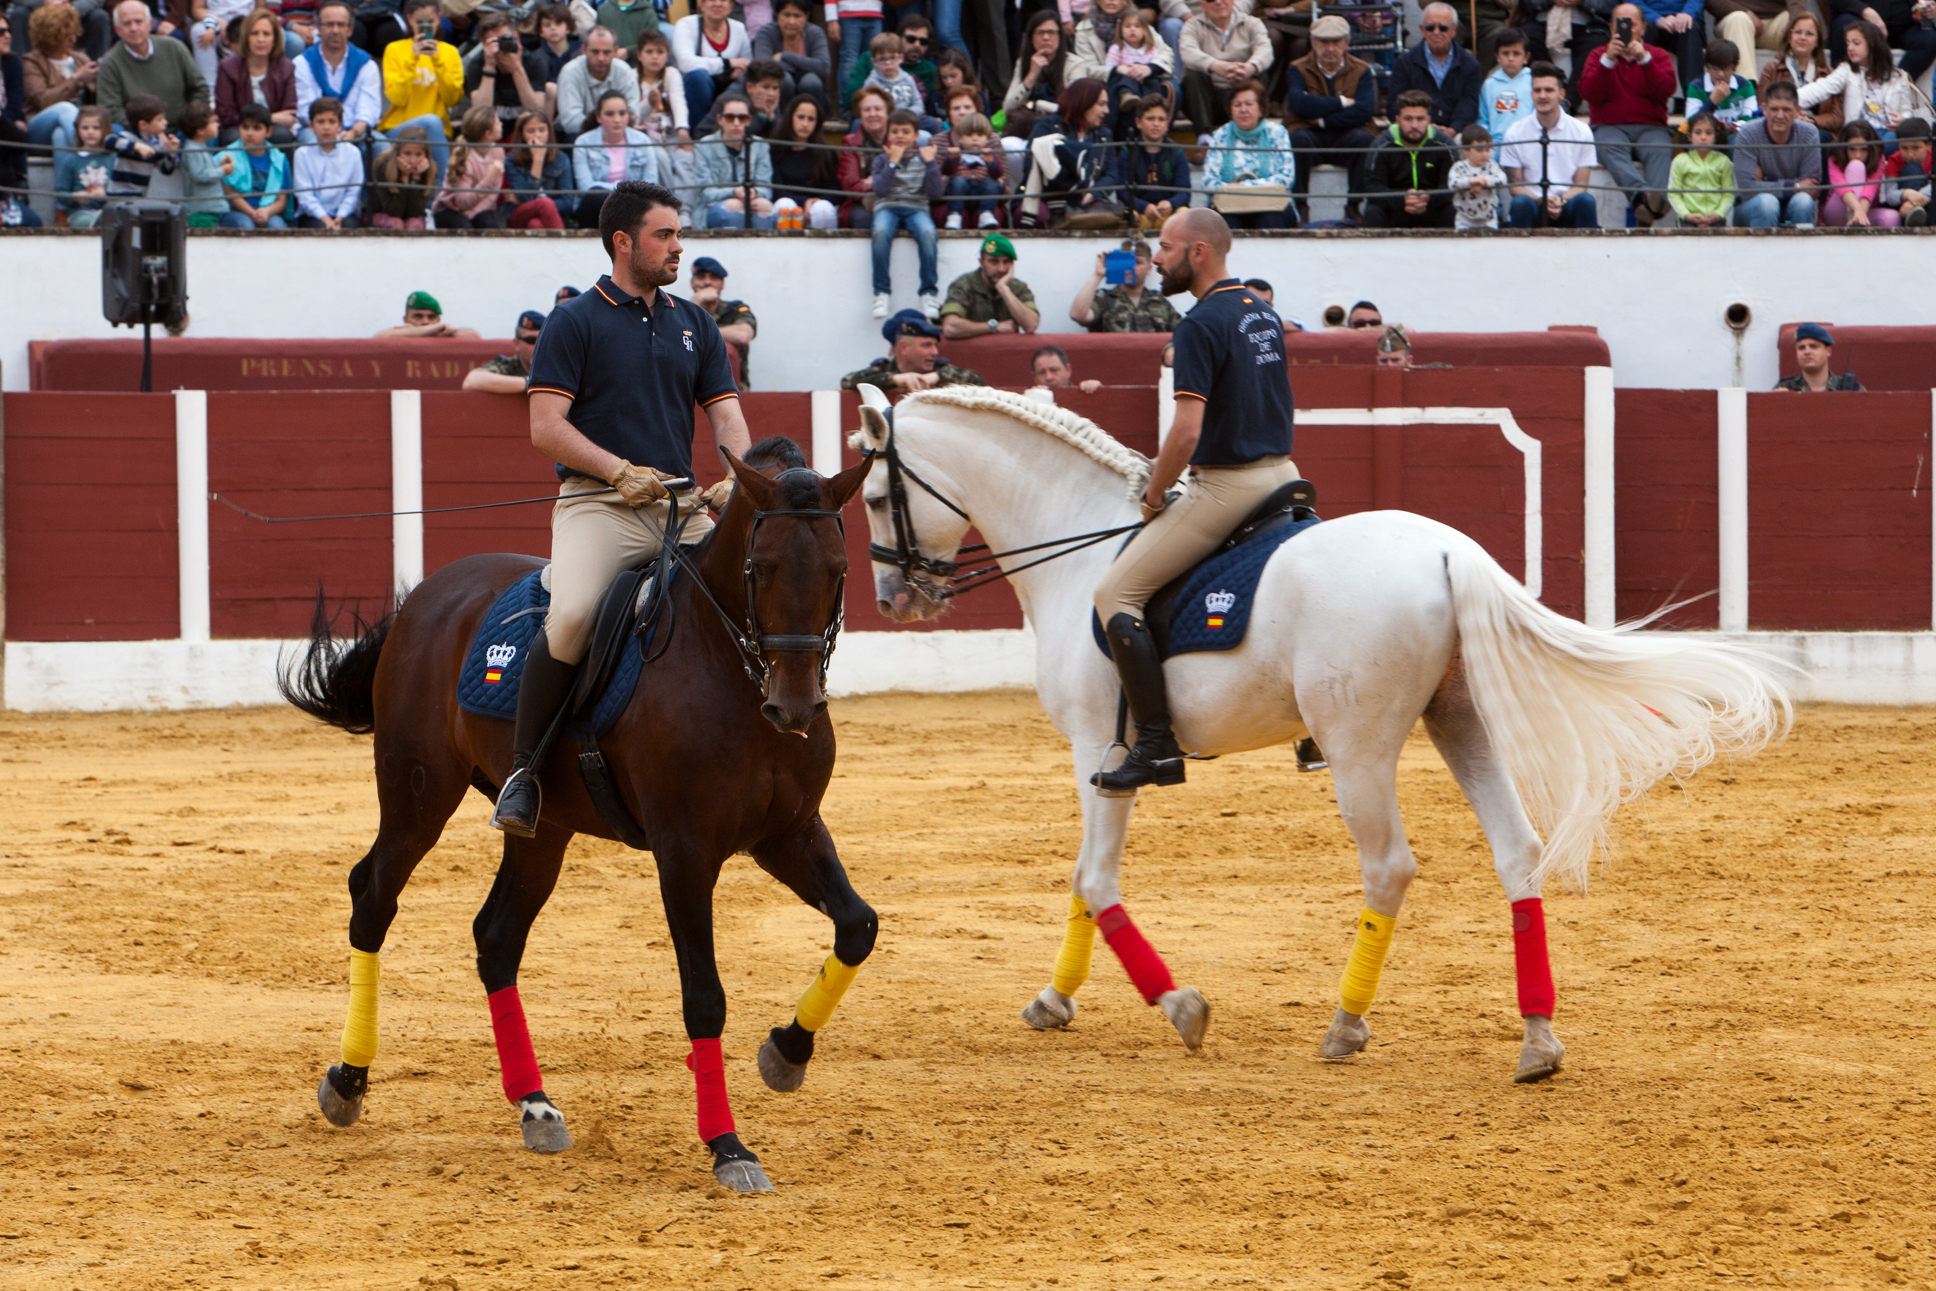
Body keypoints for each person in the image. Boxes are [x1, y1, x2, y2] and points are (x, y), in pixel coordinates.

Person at [493, 180, 751, 835]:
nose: (678, 246)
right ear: (623, 242)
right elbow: (545, 427)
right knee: (573, 615)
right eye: (665, 235)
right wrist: (617, 470)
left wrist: (740, 479)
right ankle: (523, 774)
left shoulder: (695, 323)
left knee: (749, 597)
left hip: (682, 509)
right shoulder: (574, 320)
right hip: (599, 505)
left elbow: (727, 417)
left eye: (678, 234)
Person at [1091, 207, 1297, 793]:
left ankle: (1155, 744)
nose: (1156, 258)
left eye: (1165, 247)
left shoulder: (1199, 324)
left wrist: (1155, 492)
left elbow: (1186, 433)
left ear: (1198, 252)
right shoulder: (1261, 311)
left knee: (1115, 594)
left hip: (1229, 485)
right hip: (1284, 476)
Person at [1580, 4, 1678, 226]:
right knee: (1606, 145)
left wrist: (1645, 61)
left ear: (1643, 28)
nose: (1627, 29)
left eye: (1631, 24)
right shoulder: (1598, 55)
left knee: (1660, 148)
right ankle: (1645, 199)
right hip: (1609, 126)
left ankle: (1648, 206)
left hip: (1651, 127)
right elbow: (1588, 93)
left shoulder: (1657, 55)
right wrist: (1607, 61)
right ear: (1611, 27)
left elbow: (1666, 90)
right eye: (1620, 24)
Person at [1283, 15, 1374, 225]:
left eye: (1336, 41)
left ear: (1346, 42)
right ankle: (1301, 206)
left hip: (1345, 133)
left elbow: (1365, 110)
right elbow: (1299, 105)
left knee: (1365, 140)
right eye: (1324, 42)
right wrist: (1343, 102)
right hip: (1309, 133)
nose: (1330, 48)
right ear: (1313, 43)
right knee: (1297, 139)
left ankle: (1353, 205)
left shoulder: (1361, 69)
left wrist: (1323, 119)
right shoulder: (1297, 68)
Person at [867, 107, 944, 318]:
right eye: (894, 131)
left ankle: (928, 293)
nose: (900, 136)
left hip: (916, 208)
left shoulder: (924, 158)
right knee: (880, 232)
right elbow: (880, 190)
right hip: (887, 206)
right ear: (888, 135)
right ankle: (881, 292)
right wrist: (892, 162)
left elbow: (936, 192)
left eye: (906, 131)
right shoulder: (881, 159)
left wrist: (931, 163)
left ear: (916, 136)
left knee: (928, 233)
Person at [1503, 61, 1599, 227]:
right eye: (1537, 90)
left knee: (1586, 201)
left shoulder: (1582, 131)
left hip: (1567, 202)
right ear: (1531, 94)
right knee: (1520, 204)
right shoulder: (1514, 132)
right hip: (1533, 203)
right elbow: (1515, 187)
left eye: (1548, 90)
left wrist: (1560, 200)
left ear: (1561, 94)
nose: (1542, 96)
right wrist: (1542, 201)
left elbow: (1581, 186)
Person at [376, 0, 462, 180]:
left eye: (430, 22)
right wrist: (413, 58)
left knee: (433, 123)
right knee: (431, 121)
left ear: (439, 19)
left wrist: (437, 60)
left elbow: (453, 100)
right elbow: (397, 98)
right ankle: (443, 188)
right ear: (409, 20)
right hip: (399, 129)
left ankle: (439, 192)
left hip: (437, 132)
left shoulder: (450, 52)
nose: (425, 27)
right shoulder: (395, 49)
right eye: (419, 22)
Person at [1018, 76, 1119, 228]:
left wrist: (1092, 193)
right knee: (1039, 216)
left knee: (1104, 215)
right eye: (1101, 104)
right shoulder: (1047, 125)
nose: (1107, 110)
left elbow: (1111, 174)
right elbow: (1029, 166)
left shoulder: (1104, 134)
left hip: (1086, 200)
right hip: (1046, 198)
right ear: (1083, 103)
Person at [1800, 20, 1928, 137]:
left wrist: (1903, 119)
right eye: (1848, 43)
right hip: (1858, 133)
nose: (1850, 48)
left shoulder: (1898, 75)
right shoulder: (1847, 70)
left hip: (1888, 132)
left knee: (1898, 137)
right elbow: (1821, 88)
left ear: (1872, 44)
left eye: (1856, 43)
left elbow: (1907, 111)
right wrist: (1793, 100)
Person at [1201, 78, 1295, 228]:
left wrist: (1243, 187)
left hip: (1271, 205)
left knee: (1271, 218)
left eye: (1249, 104)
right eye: (1237, 105)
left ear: (1261, 109)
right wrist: (1231, 191)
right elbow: (1208, 181)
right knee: (1224, 221)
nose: (1243, 109)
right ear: (1230, 111)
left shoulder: (1277, 133)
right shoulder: (1220, 135)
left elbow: (1286, 178)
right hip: (1230, 206)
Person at [97, 0, 207, 126]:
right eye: (127, 23)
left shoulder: (174, 48)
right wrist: (148, 129)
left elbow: (200, 88)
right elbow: (110, 109)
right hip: (137, 132)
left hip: (182, 128)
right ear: (117, 29)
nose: (133, 28)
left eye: (138, 21)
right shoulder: (110, 63)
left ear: (150, 24)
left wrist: (190, 121)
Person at [1362, 88, 1457, 228]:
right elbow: (1373, 187)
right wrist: (1403, 198)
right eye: (1408, 119)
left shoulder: (1445, 144)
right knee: (1373, 212)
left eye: (1420, 119)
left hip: (1431, 207)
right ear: (1398, 120)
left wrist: (1428, 197)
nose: (1414, 125)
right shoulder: (1381, 145)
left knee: (1453, 210)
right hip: (1395, 208)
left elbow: (1452, 184)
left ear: (1429, 120)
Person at [1730, 80, 1819, 226]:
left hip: (1792, 205)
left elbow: (1811, 188)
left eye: (1787, 110)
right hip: (1753, 207)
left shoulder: (1809, 133)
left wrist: (1765, 182)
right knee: (1768, 203)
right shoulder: (1748, 133)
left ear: (1797, 111)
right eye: (1774, 109)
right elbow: (1747, 189)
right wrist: (1795, 186)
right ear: (1764, 109)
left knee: (1804, 202)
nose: (1780, 115)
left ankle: (1802, 242)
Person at [1387, 2, 1480, 134]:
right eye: (1430, 27)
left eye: (1443, 28)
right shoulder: (1404, 62)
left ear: (1454, 30)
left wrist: (1453, 129)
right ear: (1422, 29)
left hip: (1456, 133)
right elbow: (1394, 105)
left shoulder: (1470, 64)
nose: (1436, 32)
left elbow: (1469, 104)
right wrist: (1423, 129)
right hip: (1414, 131)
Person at [839, 307, 985, 391]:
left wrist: (939, 377)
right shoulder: (885, 369)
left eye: (935, 345)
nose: (935, 352)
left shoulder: (939, 369)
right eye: (926, 345)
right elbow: (847, 382)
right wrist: (893, 379)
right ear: (903, 348)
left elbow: (976, 379)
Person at [294, 1, 379, 143]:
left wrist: (353, 133)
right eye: (329, 24)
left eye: (341, 24)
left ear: (350, 30)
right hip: (316, 130)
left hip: (355, 131)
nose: (335, 30)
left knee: (381, 146)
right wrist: (330, 133)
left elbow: (368, 111)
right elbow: (305, 110)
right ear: (318, 28)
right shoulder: (302, 63)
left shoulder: (367, 65)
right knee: (310, 140)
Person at [1177, 0, 1270, 130]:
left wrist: (1249, 67)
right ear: (1202, 5)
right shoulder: (1192, 25)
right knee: (1193, 75)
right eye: (1211, 0)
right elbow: (1187, 52)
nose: (1218, 2)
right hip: (1208, 97)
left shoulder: (1252, 23)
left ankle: (1252, 131)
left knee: (1260, 72)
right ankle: (1204, 136)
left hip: (1240, 88)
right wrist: (1214, 65)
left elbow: (1266, 51)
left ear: (1233, 1)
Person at [573, 88, 658, 228]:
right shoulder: (583, 143)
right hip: (598, 205)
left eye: (622, 113)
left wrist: (623, 194)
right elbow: (586, 187)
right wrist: (626, 191)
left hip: (635, 205)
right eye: (610, 114)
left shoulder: (643, 141)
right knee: (595, 197)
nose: (617, 120)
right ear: (598, 117)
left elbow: (651, 184)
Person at [215, 8, 296, 144]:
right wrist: (270, 118)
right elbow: (226, 116)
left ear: (275, 39)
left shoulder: (286, 67)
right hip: (238, 128)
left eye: (266, 34)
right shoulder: (227, 66)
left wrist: (269, 123)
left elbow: (289, 114)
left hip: (273, 129)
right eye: (254, 33)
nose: (260, 39)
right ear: (246, 37)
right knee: (232, 137)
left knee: (281, 135)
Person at [464, 9, 551, 135]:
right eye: (495, 41)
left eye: (505, 38)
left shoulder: (534, 61)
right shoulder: (477, 65)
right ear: (484, 44)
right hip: (491, 133)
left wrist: (517, 69)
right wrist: (489, 68)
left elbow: (535, 111)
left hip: (526, 133)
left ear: (516, 37)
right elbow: (480, 114)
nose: (501, 45)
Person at [695, 89, 775, 226]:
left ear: (749, 120)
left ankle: (760, 241)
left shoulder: (760, 145)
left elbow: (766, 188)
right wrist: (734, 192)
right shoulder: (704, 146)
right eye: (730, 118)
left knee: (764, 206)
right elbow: (705, 193)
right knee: (735, 207)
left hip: (751, 201)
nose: (736, 123)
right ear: (720, 120)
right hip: (712, 207)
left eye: (742, 118)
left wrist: (753, 192)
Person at [939, 233, 1041, 338]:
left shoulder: (1019, 287)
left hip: (1007, 347)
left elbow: (1031, 325)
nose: (1001, 269)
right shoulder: (963, 285)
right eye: (994, 261)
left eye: (1006, 262)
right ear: (981, 262)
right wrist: (994, 327)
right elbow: (950, 328)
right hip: (973, 347)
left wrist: (1004, 289)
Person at [22, 3, 94, 150]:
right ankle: (86, 150)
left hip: (80, 123)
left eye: (74, 33)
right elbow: (42, 101)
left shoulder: (81, 59)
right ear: (51, 37)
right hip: (40, 123)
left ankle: (79, 160)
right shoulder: (31, 62)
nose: (73, 39)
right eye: (67, 36)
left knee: (60, 135)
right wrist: (76, 79)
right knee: (65, 108)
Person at [1070, 237, 1182, 332]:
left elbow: (1183, 333)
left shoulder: (1159, 301)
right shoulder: (1104, 298)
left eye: (1138, 262)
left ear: (1149, 269)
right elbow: (1078, 316)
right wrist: (1098, 275)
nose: (1132, 267)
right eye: (1128, 262)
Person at [1757, 12, 1839, 137]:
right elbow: (1764, 107)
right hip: (1780, 130)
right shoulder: (1771, 70)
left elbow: (1837, 117)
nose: (1803, 37)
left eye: (1809, 33)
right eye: (1798, 32)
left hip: (1817, 132)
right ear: (1789, 37)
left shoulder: (1829, 74)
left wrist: (1811, 121)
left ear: (1817, 41)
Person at [1826, 0, 1936, 90]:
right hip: (1861, 21)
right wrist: (1865, 11)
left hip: (1904, 26)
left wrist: (1931, 6)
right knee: (1844, 25)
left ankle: (1895, 88)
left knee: (1929, 39)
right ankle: (1845, 91)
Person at [768, 92, 839, 227]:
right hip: (788, 206)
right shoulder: (776, 149)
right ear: (790, 117)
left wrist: (815, 202)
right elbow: (777, 190)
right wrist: (804, 203)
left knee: (822, 208)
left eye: (811, 119)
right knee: (785, 205)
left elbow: (835, 189)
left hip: (817, 209)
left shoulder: (826, 151)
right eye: (800, 117)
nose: (805, 124)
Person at [672, 0, 751, 121]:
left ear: (731, 6)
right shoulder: (686, 25)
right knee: (698, 77)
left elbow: (747, 62)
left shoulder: (739, 28)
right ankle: (699, 129)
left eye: (723, 0)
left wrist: (741, 70)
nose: (717, 4)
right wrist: (728, 63)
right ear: (702, 4)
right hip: (697, 88)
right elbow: (685, 63)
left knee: (745, 81)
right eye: (712, 0)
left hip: (729, 87)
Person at [555, 24, 639, 138]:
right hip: (579, 136)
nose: (601, 58)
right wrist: (610, 125)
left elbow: (634, 115)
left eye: (606, 52)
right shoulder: (570, 72)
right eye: (595, 52)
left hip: (619, 134)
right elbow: (570, 122)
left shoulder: (624, 71)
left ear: (615, 51)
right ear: (584, 50)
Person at [432, 103, 507, 229]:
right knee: (464, 226)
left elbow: (493, 194)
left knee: (488, 225)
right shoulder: (465, 157)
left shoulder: (498, 152)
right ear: (488, 134)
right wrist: (488, 181)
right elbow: (462, 201)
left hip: (478, 207)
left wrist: (473, 213)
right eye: (498, 122)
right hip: (450, 209)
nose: (501, 124)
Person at [1121, 94, 1190, 228]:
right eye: (1150, 118)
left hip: (1168, 212)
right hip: (1140, 212)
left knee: (1184, 213)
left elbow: (1184, 191)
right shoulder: (1128, 151)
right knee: (1130, 217)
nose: (1156, 124)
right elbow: (1123, 192)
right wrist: (1144, 206)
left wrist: (1171, 204)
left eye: (1161, 119)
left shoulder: (1177, 151)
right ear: (1138, 123)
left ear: (1167, 124)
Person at [293, 93, 362, 226]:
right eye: (320, 122)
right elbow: (304, 194)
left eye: (332, 121)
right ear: (311, 126)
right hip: (313, 215)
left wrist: (340, 217)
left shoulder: (353, 153)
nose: (326, 127)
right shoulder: (302, 154)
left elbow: (354, 192)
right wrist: (325, 219)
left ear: (340, 126)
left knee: (350, 227)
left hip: (344, 214)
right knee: (319, 228)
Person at [688, 254, 759, 383]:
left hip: (731, 388)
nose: (707, 282)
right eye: (701, 277)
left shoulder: (736, 309)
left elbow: (742, 336)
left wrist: (698, 332)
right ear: (692, 283)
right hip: (688, 389)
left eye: (714, 278)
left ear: (722, 284)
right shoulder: (680, 311)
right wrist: (695, 302)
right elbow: (670, 337)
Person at [217, 100, 287, 225]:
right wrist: (253, 213)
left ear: (269, 131)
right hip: (237, 211)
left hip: (268, 211)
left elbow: (281, 200)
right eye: (245, 127)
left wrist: (266, 212)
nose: (249, 133)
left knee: (277, 225)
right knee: (245, 225)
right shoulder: (227, 157)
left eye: (256, 128)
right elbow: (230, 193)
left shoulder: (279, 159)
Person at [1100, 6, 1172, 124]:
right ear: (1121, 30)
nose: (1132, 30)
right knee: (1125, 78)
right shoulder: (1117, 48)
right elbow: (1109, 67)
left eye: (1137, 26)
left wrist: (1145, 70)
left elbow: (1155, 64)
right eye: (1127, 26)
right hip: (1125, 80)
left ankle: (1152, 103)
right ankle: (1126, 95)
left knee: (1153, 81)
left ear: (1145, 30)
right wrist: (1121, 69)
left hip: (1145, 81)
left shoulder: (1150, 49)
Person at [1003, 9, 1070, 136]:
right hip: (1026, 129)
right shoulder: (1023, 63)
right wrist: (1032, 75)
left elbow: (1074, 109)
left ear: (1060, 36)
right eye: (1040, 32)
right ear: (1031, 38)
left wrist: (1036, 105)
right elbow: (1008, 107)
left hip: (1061, 130)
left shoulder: (1074, 64)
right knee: (1008, 143)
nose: (1046, 37)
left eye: (1051, 32)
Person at [752, 0, 829, 108]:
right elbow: (762, 66)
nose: (791, 21)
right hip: (776, 90)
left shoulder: (815, 33)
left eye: (797, 16)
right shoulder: (766, 32)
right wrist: (804, 66)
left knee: (811, 82)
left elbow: (824, 68)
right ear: (777, 14)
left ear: (806, 16)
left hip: (810, 87)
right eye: (786, 15)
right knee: (784, 80)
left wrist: (785, 56)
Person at [836, 82, 893, 227]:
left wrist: (875, 182)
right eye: (867, 110)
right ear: (860, 115)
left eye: (878, 109)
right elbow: (850, 185)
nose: (872, 114)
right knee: (865, 219)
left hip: (896, 200)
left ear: (887, 111)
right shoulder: (850, 143)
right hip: (861, 203)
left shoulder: (901, 139)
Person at [1823, 120, 1898, 226]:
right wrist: (1857, 209)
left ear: (1871, 149)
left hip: (1864, 210)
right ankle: (1854, 218)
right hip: (1837, 212)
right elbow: (1841, 186)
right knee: (1856, 166)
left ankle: (1857, 222)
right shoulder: (1835, 157)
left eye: (1863, 150)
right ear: (1844, 148)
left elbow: (1871, 188)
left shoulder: (1878, 158)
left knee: (1892, 217)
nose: (1858, 155)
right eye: (1852, 149)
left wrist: (1861, 212)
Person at [105, 91, 181, 195]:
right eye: (159, 119)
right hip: (118, 194)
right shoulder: (128, 136)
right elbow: (109, 141)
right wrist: (135, 146)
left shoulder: (157, 144)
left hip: (140, 195)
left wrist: (172, 152)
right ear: (143, 125)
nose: (165, 122)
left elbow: (166, 170)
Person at [506, 110, 570, 228]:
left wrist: (546, 206)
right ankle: (561, 240)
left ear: (549, 132)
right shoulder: (511, 160)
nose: (537, 135)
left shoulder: (561, 158)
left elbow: (567, 202)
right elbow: (526, 198)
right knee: (544, 203)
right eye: (531, 131)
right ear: (522, 135)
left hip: (552, 215)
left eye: (542, 130)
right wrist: (538, 160)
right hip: (520, 214)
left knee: (536, 225)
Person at [941, 109, 1004, 229]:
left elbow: (999, 174)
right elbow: (947, 172)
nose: (974, 139)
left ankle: (986, 214)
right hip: (962, 193)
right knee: (957, 181)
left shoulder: (989, 153)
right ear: (961, 138)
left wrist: (991, 163)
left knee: (992, 183)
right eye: (969, 135)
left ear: (987, 138)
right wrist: (951, 159)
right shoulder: (958, 153)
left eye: (980, 135)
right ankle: (954, 215)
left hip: (982, 194)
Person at [1666, 111, 1731, 225]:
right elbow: (1674, 193)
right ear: (1689, 136)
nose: (1703, 137)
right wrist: (1686, 214)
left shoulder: (1724, 161)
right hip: (1687, 220)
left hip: (1716, 219)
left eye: (1708, 133)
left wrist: (1718, 213)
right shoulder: (1680, 161)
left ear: (1716, 136)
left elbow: (1729, 193)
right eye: (1698, 132)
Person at [1682, 38, 1758, 134]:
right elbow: (1690, 124)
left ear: (1735, 67)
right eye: (1715, 68)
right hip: (1707, 136)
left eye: (1726, 69)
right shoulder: (1696, 87)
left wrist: (1736, 127)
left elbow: (1752, 120)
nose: (1721, 74)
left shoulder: (1745, 86)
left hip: (1736, 135)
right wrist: (1712, 102)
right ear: (1707, 66)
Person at [55, 102, 112, 226]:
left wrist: (105, 194)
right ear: (77, 129)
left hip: (108, 211)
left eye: (96, 128)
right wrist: (74, 196)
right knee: (84, 222)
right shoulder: (70, 159)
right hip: (80, 213)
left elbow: (121, 189)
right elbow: (60, 193)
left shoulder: (112, 158)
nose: (90, 132)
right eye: (85, 128)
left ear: (105, 129)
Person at [176, 99, 232, 226]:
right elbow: (200, 175)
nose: (217, 125)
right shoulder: (192, 150)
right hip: (200, 211)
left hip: (208, 209)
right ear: (200, 130)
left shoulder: (201, 147)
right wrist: (223, 171)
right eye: (213, 122)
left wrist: (220, 164)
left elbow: (205, 169)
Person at [464, 309, 546, 394]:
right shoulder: (511, 366)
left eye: (543, 341)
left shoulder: (554, 365)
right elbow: (471, 380)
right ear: (517, 343)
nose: (538, 347)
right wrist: (530, 383)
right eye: (531, 340)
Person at [366, 124, 434, 227]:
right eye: (407, 153)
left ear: (426, 154)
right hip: (381, 213)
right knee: (395, 223)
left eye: (418, 154)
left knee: (415, 224)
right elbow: (393, 212)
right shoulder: (381, 164)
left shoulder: (429, 169)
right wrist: (404, 178)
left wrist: (416, 178)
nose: (412, 160)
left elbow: (415, 212)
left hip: (411, 215)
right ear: (398, 152)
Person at [1445, 123, 1508, 228]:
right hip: (1464, 219)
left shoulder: (1492, 166)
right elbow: (1453, 183)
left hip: (1489, 219)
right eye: (1479, 150)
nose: (1484, 154)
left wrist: (1484, 181)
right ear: (1466, 150)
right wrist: (1471, 181)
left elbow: (1502, 179)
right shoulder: (1459, 167)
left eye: (1487, 150)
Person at [1712, 0, 1803, 69]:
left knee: (1799, 23)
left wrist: (1793, 20)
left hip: (1774, 22)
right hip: (1735, 20)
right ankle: (1745, 86)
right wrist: (1745, 12)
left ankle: (1801, 81)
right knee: (1739, 19)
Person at [1479, 27, 1532, 140]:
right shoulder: (1489, 85)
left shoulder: (1533, 82)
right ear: (1497, 56)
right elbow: (1483, 118)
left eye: (1516, 53)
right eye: (1505, 53)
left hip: (1526, 142)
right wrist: (1486, 139)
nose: (1510, 58)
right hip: (1496, 143)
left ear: (1526, 57)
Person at [1775, 323, 1862, 392]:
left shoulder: (1851, 389)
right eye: (1801, 347)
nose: (1807, 352)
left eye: (1813, 346)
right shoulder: (1786, 388)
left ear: (1828, 351)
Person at [827, 0, 886, 93]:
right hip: (848, 12)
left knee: (874, 60)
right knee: (849, 61)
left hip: (875, 11)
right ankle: (848, 100)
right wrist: (831, 19)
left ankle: (873, 99)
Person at [860, 29, 922, 114]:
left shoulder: (908, 79)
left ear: (901, 58)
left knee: (930, 121)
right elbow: (868, 106)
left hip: (908, 117)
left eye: (892, 58)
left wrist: (907, 114)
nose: (888, 63)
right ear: (874, 62)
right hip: (883, 118)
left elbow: (918, 104)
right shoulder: (872, 83)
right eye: (882, 59)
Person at [375, 290, 482, 338]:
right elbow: (378, 338)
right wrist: (430, 330)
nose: (426, 322)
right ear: (406, 320)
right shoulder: (397, 335)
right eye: (418, 316)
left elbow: (474, 335)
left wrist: (439, 331)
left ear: (438, 320)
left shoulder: (444, 333)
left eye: (431, 317)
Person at [1889, 115, 1932, 225]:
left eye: (1916, 148)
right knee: (1912, 168)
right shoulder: (1894, 160)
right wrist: (1906, 193)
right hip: (1903, 208)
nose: (1910, 154)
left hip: (1928, 206)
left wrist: (1912, 202)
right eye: (1904, 148)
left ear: (1929, 145)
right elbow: (1890, 195)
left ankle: (1914, 217)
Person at [594, 0, 658, 65]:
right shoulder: (604, 10)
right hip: (608, 65)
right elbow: (597, 39)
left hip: (638, 65)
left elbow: (652, 42)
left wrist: (628, 52)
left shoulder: (647, 11)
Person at [536, 3, 580, 83]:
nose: (553, 28)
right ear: (541, 31)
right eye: (547, 25)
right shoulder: (537, 57)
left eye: (558, 24)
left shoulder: (579, 53)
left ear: (568, 28)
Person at [1032, 345, 1103, 393]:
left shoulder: (1083, 394)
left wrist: (1098, 391)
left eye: (1054, 370)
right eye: (1041, 372)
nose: (1049, 377)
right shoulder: (1029, 401)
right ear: (1034, 377)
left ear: (1068, 370)